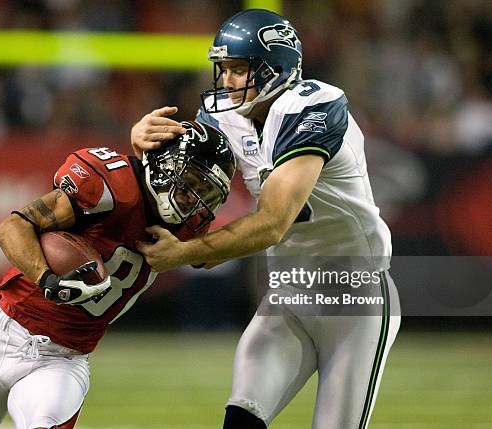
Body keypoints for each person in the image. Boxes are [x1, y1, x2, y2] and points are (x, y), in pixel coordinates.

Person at [131, 9, 401, 429]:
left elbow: (274, 222)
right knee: (241, 418)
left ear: (275, 69)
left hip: (353, 294)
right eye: (222, 70)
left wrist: (185, 253)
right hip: (289, 290)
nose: (226, 82)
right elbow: (180, 176)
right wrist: (143, 143)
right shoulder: (225, 115)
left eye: (238, 70)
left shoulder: (314, 106)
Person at [0, 120, 236, 429]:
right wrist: (48, 279)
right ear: (165, 164)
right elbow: (11, 228)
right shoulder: (109, 185)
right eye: (191, 181)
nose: (194, 198)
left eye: (205, 191)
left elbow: (221, 250)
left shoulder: (189, 225)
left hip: (63, 359)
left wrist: (191, 251)